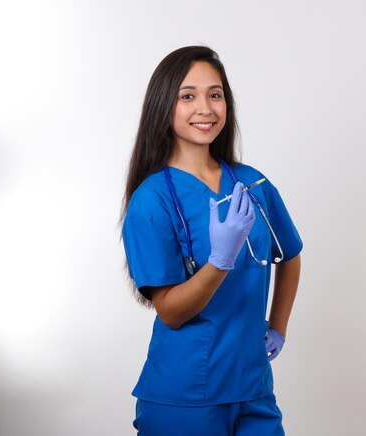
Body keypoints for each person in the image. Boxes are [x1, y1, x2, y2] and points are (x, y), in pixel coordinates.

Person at [120, 46, 303, 436]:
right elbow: (170, 311)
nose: (205, 107)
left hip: (252, 387)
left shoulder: (252, 183)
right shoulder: (152, 201)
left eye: (214, 94)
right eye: (188, 96)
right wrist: (220, 260)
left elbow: (289, 255)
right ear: (163, 107)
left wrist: (279, 325)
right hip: (185, 394)